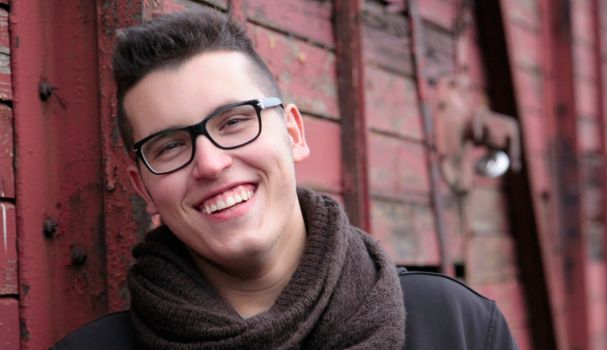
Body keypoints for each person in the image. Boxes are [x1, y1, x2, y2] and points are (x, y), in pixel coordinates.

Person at [53, 9, 518, 350]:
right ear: (142, 185)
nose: (211, 164)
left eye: (234, 121)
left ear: (293, 132)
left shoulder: (457, 327)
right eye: (170, 146)